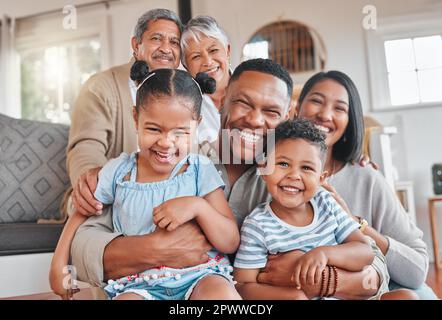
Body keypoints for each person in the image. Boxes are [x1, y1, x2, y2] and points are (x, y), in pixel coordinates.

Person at [70, 58, 390, 300]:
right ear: (221, 102)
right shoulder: (173, 159)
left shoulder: (294, 183)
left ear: (287, 117)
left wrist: (324, 280)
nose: (254, 120)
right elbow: (83, 244)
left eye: (271, 112)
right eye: (243, 104)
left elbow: (376, 267)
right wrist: (153, 249)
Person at [50, 62, 241, 300]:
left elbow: (230, 240)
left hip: (200, 275)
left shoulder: (200, 169)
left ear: (197, 126)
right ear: (135, 118)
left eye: (180, 132)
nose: (166, 142)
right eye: (153, 129)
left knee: (221, 296)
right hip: (139, 283)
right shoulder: (119, 171)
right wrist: (59, 264)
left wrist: (197, 206)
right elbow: (81, 212)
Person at [259, 70, 435, 299]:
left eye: (339, 108)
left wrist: (357, 224)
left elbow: (416, 271)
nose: (325, 114)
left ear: (350, 121)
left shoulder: (367, 178)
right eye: (316, 101)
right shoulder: (268, 175)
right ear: (296, 108)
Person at [233, 119, 417, 300]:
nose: (294, 175)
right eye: (283, 164)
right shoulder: (257, 224)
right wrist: (294, 296)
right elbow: (243, 286)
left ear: (321, 178)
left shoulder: (325, 202)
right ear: (264, 168)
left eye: (306, 167)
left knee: (406, 297)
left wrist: (324, 253)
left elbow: (365, 252)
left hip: (348, 294)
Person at [67, 8, 183, 218]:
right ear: (136, 46)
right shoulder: (100, 86)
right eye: (156, 38)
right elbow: (85, 146)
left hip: (166, 197)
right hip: (111, 196)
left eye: (174, 42)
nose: (166, 48)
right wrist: (92, 177)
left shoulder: (183, 93)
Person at [181, 15, 231, 143]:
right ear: (186, 66)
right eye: (196, 57)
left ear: (227, 51)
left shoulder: (253, 87)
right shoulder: (184, 106)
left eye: (213, 50)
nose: (208, 62)